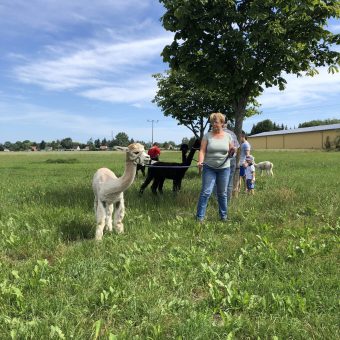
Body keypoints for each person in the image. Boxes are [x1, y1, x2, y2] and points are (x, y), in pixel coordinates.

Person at [196, 112, 234, 222]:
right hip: (209, 168)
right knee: (206, 192)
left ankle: (223, 217)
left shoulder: (228, 136)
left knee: (222, 193)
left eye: (216, 122)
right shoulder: (207, 135)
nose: (214, 124)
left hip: (224, 169)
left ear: (222, 123)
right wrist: (200, 161)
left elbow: (231, 151)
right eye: (212, 122)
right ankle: (200, 218)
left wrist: (232, 150)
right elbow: (202, 150)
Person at [223, 122, 240, 203]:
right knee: (229, 182)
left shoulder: (215, 133)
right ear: (227, 123)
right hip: (232, 160)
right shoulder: (232, 133)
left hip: (221, 161)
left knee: (217, 183)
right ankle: (228, 202)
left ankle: (217, 201)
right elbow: (236, 148)